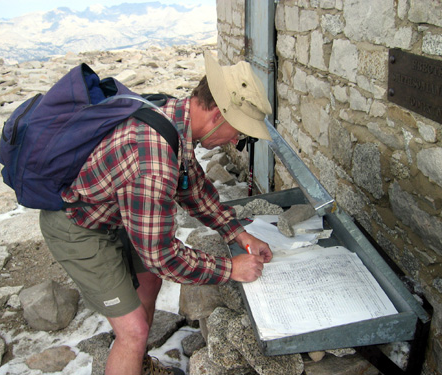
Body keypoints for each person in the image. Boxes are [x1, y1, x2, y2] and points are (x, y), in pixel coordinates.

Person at [39, 51, 274, 375]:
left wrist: (238, 232)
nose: (235, 140)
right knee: (132, 331)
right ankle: (132, 351)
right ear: (218, 114)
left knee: (148, 284)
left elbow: (193, 188)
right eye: (238, 131)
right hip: (78, 226)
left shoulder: (175, 118)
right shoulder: (154, 160)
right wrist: (229, 269)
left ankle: (140, 365)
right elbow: (161, 255)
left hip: (118, 210)